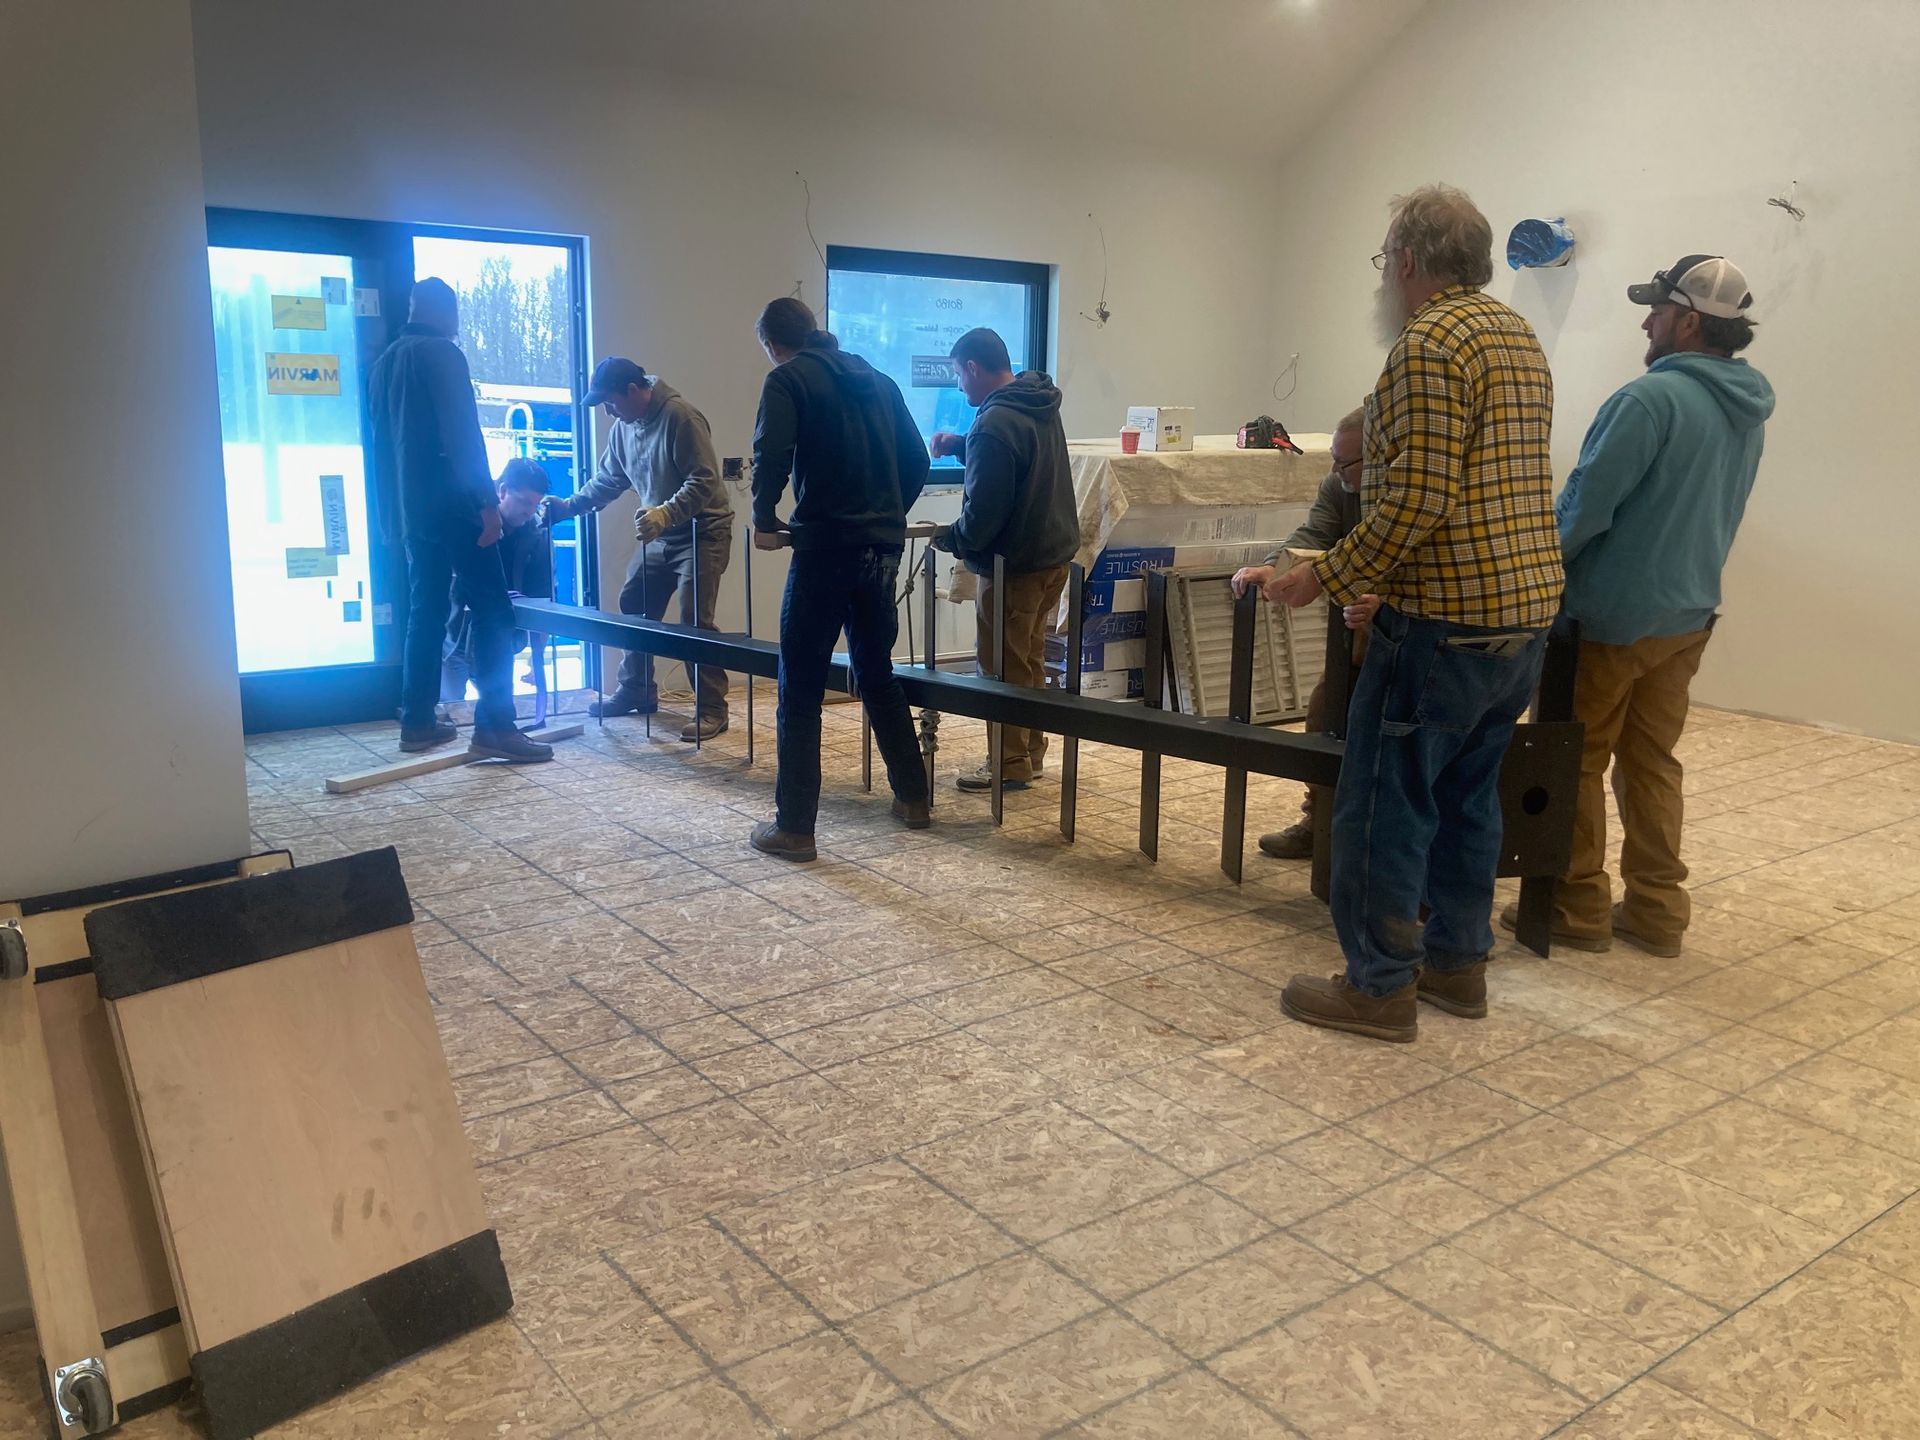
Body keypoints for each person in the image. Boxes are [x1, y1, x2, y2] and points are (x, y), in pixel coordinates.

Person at [1264, 185, 1562, 1042]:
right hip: (1523, 617)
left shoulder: (1426, 344)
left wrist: (1326, 576)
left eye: (1382, 259)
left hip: (1443, 622)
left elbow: (1418, 497)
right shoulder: (1517, 336)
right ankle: (1458, 965)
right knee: (1469, 800)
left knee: (1383, 806)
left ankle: (1379, 986)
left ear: (1403, 261)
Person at [1501, 256, 1774, 959]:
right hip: (1687, 617)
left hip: (1608, 621)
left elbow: (1585, 509)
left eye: (1657, 310)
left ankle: (1576, 904)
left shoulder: (1648, 400)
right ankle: (1657, 909)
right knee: (1652, 763)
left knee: (1575, 760)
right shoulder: (1747, 410)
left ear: (1689, 322)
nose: (1646, 322)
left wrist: (1528, 572)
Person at [746, 297, 934, 861]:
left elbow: (771, 453)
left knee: (800, 687)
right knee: (877, 673)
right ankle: (913, 799)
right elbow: (918, 459)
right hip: (881, 549)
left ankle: (794, 828)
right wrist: (885, 514)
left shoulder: (787, 379)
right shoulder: (879, 381)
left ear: (773, 344)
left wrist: (764, 517)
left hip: (824, 549)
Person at [368, 278, 551, 762]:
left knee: (425, 610)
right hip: (454, 506)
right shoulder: (443, 354)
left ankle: (417, 722)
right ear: (448, 313)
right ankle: (495, 727)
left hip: (412, 511)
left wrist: (391, 519)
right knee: (494, 609)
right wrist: (486, 504)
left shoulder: (384, 363)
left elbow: (379, 447)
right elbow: (463, 434)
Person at [545, 357, 732, 742]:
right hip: (660, 534)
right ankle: (637, 690)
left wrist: (665, 513)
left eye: (610, 402)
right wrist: (568, 507)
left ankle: (712, 708)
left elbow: (704, 481)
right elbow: (608, 480)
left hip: (702, 532)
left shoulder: (681, 418)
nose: (608, 411)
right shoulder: (623, 429)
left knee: (694, 622)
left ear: (633, 390)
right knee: (635, 605)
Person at [928, 328, 1078, 791]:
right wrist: (962, 444)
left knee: (1001, 668)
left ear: (974, 367)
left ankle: (1008, 764)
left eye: (959, 375)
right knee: (1029, 660)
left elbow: (984, 515)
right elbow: (1020, 460)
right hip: (1052, 559)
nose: (960, 387)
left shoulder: (993, 423)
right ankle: (1030, 752)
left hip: (1012, 566)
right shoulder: (1037, 401)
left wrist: (949, 538)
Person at [1230, 405, 1367, 858]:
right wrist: (1275, 567)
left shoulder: (1403, 492)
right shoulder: (1338, 484)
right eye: (1333, 460)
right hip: (1355, 632)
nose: (1336, 471)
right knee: (1326, 711)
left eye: (1347, 463)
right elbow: (1314, 535)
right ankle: (1319, 820)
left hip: (1405, 629)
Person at [443, 458, 553, 719]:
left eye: (535, 504)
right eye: (524, 502)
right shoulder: (470, 520)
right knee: (448, 710)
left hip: (502, 636)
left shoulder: (536, 535)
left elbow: (542, 598)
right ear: (502, 491)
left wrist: (537, 659)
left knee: (498, 712)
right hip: (456, 633)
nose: (530, 511)